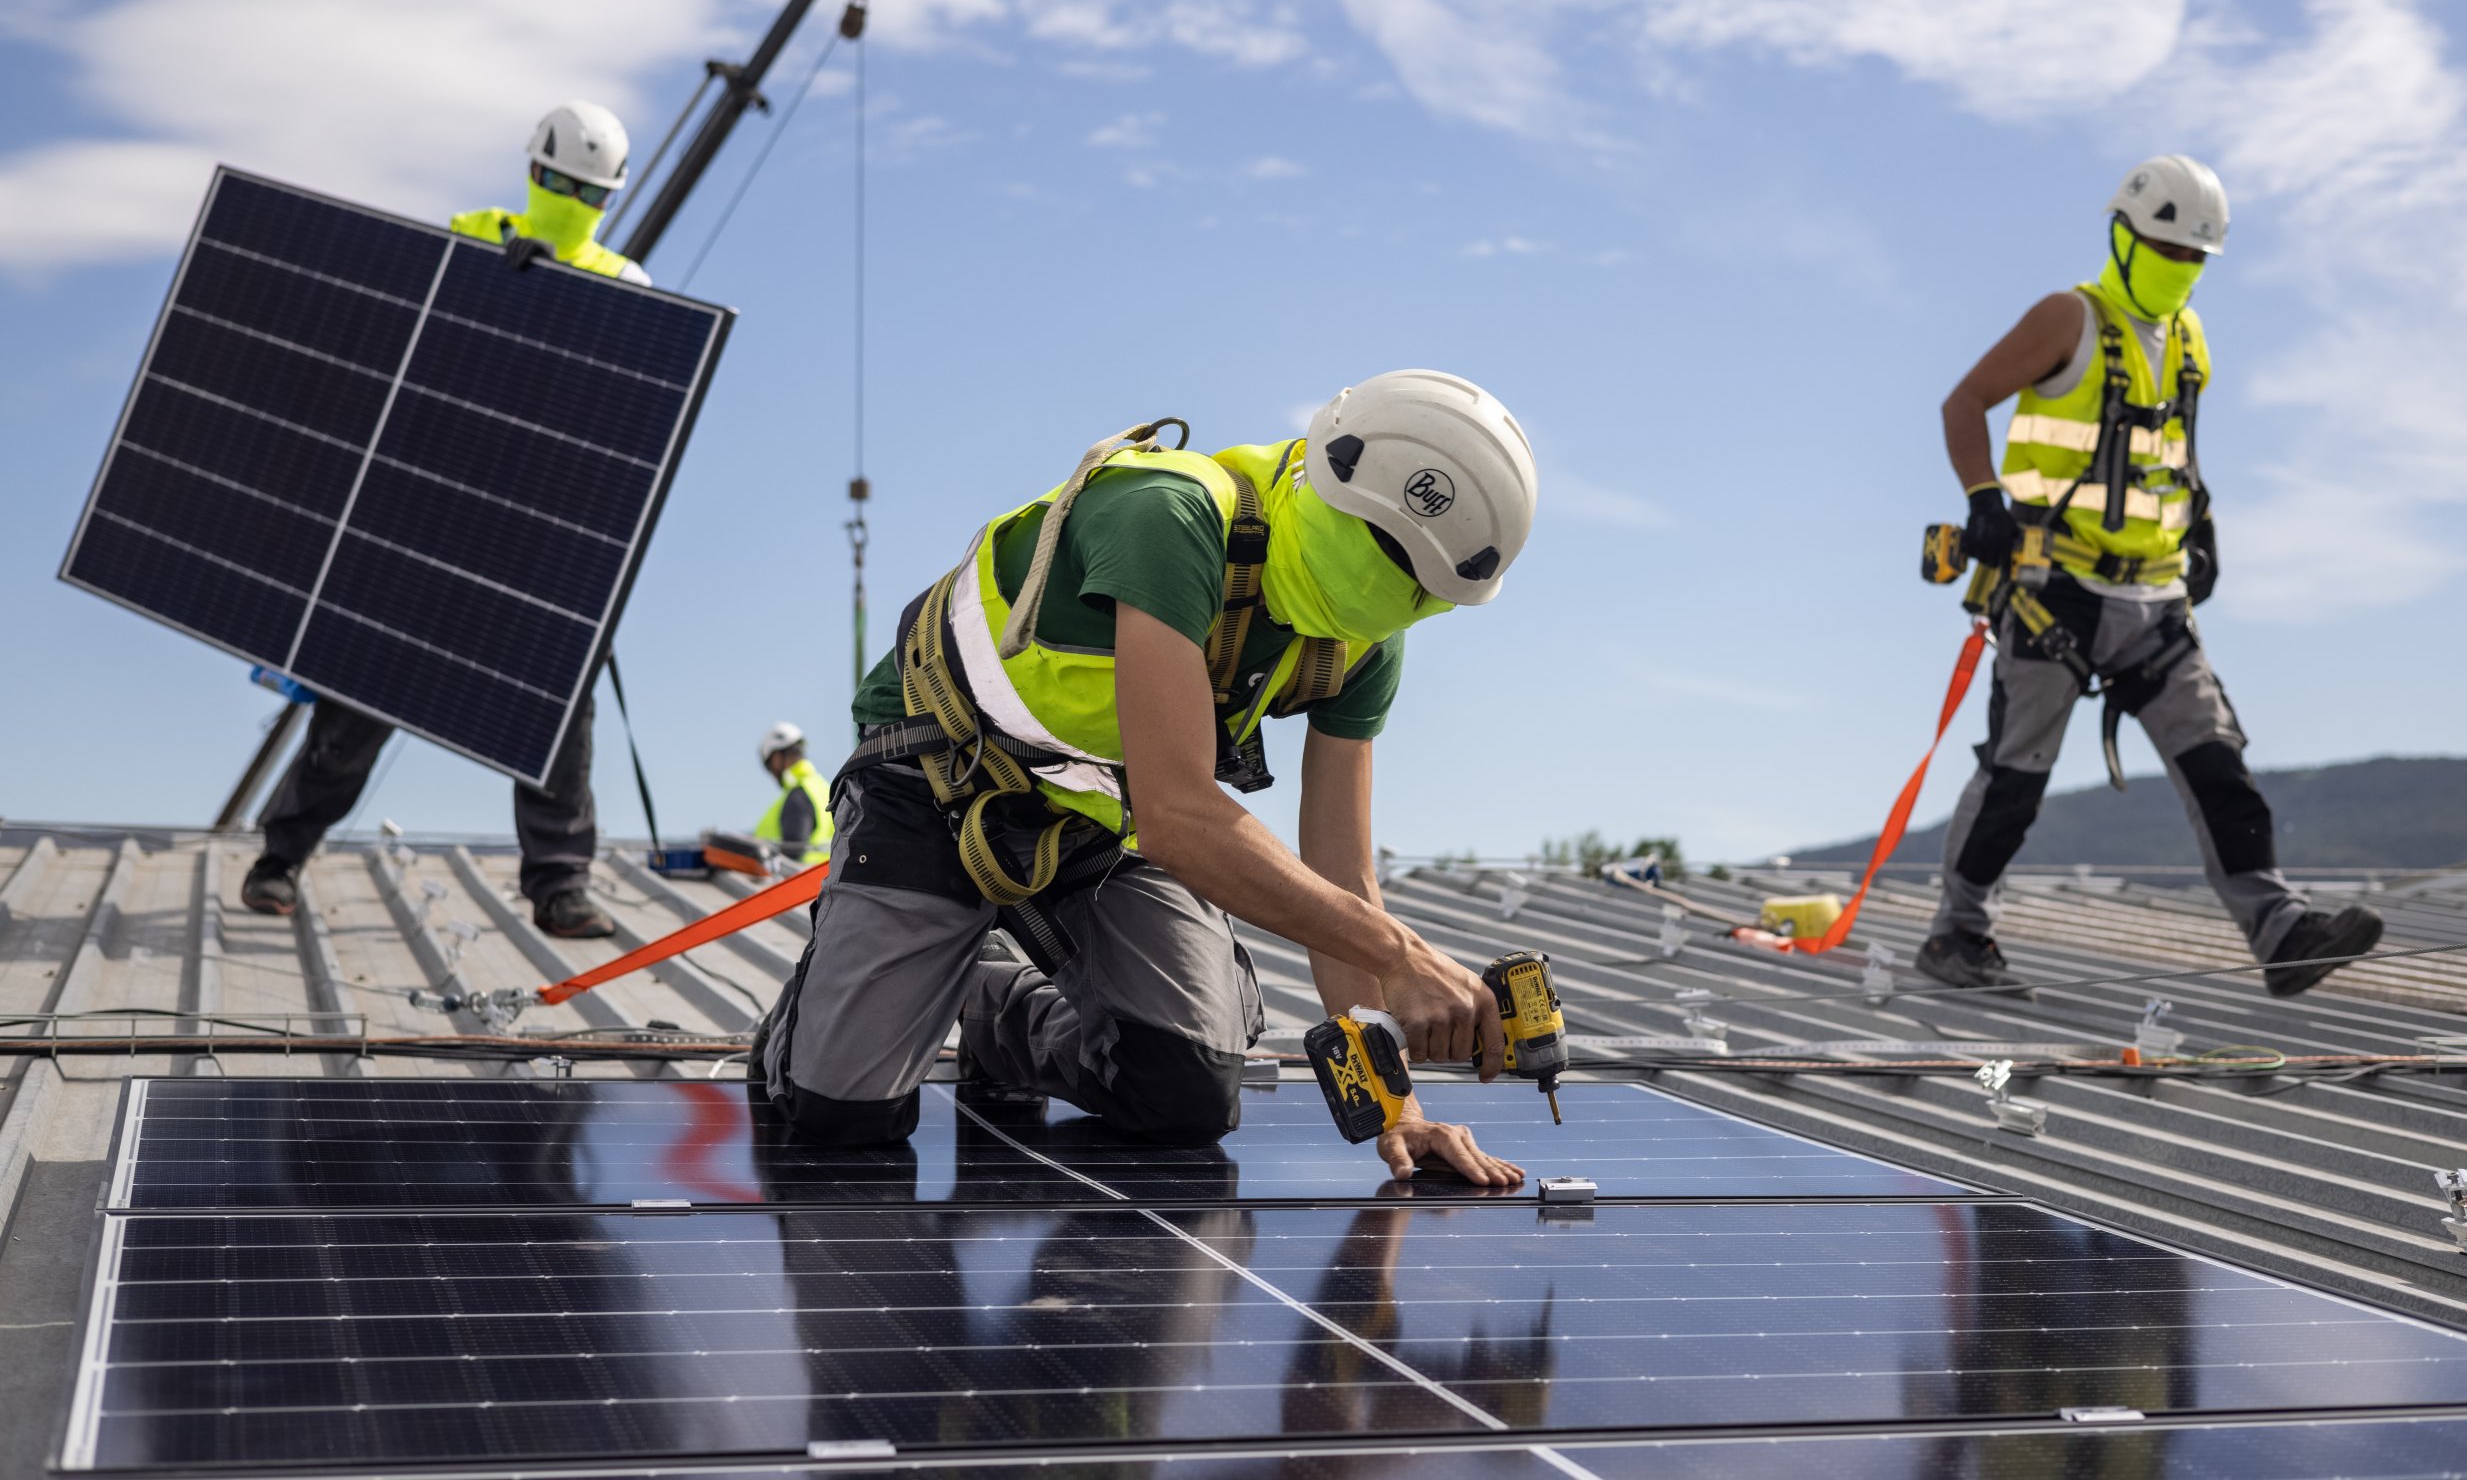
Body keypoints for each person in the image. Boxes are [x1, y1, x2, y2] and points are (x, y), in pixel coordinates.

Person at [755, 370, 1537, 1185]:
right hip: (939, 781)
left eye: (1422, 586)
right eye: (1384, 558)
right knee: (842, 1116)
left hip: (1098, 815)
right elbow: (1177, 817)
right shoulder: (1170, 515)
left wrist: (1397, 1110)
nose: (1395, 593)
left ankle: (986, 1003)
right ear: (1327, 486)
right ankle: (821, 1022)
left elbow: (1342, 874)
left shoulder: (1365, 638)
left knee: (1187, 1090)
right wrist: (1403, 953)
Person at [1916, 155, 2383, 997]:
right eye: (2170, 251)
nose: (2183, 269)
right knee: (2017, 775)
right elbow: (1963, 402)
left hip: (2154, 594)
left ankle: (2282, 935)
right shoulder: (2068, 317)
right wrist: (1983, 499)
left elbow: (2168, 451)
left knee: (2217, 762)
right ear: (2124, 238)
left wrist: (2199, 526)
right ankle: (1957, 934)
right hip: (2051, 588)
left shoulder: (2191, 337)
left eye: (2197, 259)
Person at [239, 102, 648, 938]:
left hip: (537, 530)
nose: (570, 200)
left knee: (556, 709)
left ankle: (561, 885)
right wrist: (497, 282)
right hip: (431, 510)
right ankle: (279, 858)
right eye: (561, 183)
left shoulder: (626, 286)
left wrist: (559, 303)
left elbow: (622, 411)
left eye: (586, 192)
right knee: (359, 697)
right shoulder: (472, 233)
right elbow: (419, 345)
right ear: (533, 173)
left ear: (609, 201)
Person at [754, 722, 836, 867]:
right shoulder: (823, 787)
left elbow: (793, 852)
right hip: (826, 879)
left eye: (770, 767)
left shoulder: (798, 796)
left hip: (801, 883)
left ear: (777, 759)